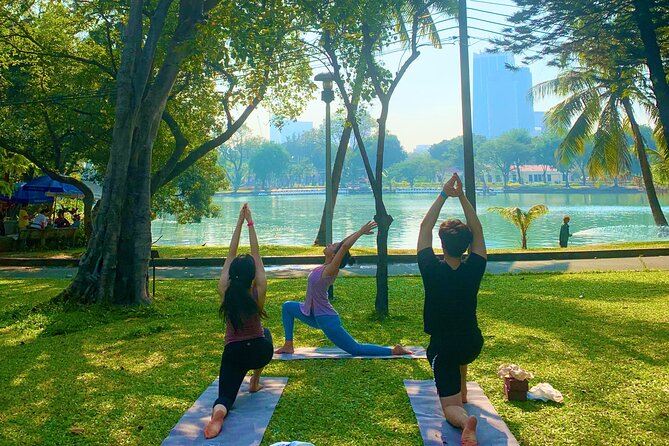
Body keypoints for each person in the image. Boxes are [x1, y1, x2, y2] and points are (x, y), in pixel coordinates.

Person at [416, 173, 486, 446]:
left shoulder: (431, 269)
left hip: (444, 349)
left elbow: (424, 227)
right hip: (472, 343)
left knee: (450, 408)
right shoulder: (474, 268)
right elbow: (478, 231)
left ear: (441, 245)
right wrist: (463, 196)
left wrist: (444, 194)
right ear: (467, 245)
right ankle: (463, 391)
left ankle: (463, 421)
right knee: (459, 346)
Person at [274, 220, 413, 357]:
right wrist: (359, 232)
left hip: (326, 318)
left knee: (355, 349)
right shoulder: (323, 267)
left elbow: (344, 246)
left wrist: (360, 232)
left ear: (335, 255)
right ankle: (288, 345)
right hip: (310, 312)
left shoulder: (330, 270)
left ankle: (394, 350)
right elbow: (342, 245)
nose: (329, 245)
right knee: (288, 307)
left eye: (332, 246)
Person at [204, 203, 272, 439]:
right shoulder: (259, 291)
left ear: (232, 274)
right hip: (260, 352)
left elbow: (230, 255)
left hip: (234, 352)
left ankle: (218, 415)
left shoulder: (224, 290)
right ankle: (255, 380)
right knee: (267, 333)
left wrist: (238, 224)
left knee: (225, 398)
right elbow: (257, 254)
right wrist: (250, 223)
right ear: (252, 275)